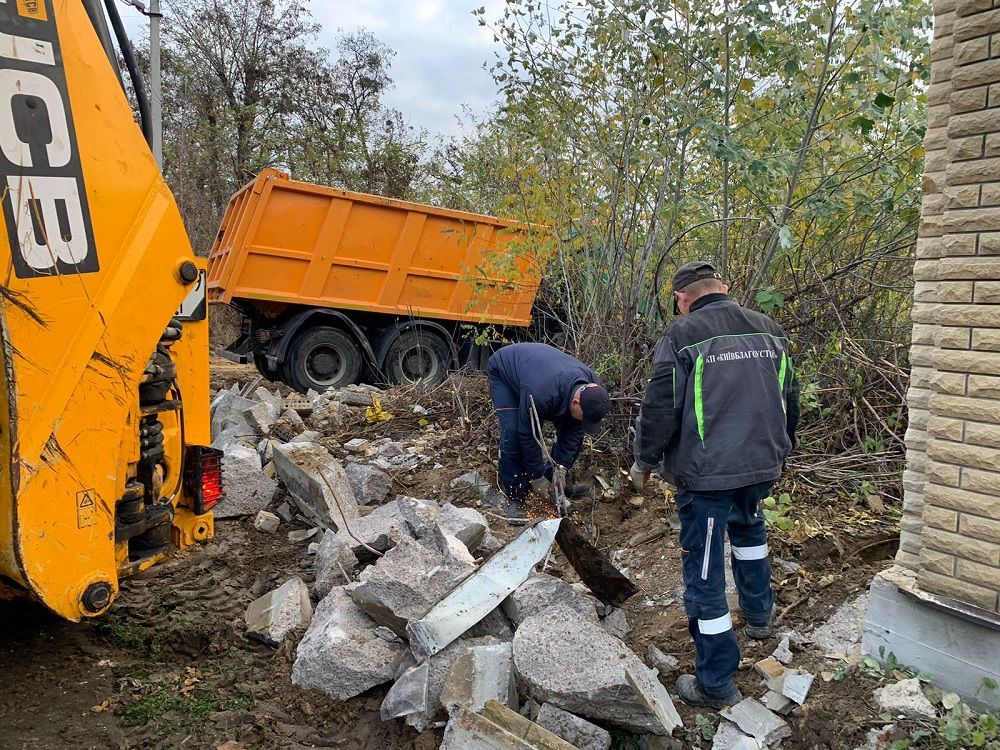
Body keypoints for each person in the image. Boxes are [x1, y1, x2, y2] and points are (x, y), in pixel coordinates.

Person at [631, 261, 799, 710]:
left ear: (681, 299)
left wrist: (644, 460)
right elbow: (790, 399)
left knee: (704, 572)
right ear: (723, 288)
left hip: (708, 476)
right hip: (761, 464)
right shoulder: (769, 330)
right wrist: (781, 451)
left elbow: (660, 408)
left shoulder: (681, 336)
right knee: (750, 536)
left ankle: (716, 682)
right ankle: (761, 616)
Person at [487, 343, 611, 522]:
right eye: (584, 417)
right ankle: (515, 495)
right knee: (512, 433)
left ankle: (553, 487)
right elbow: (527, 434)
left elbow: (574, 433)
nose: (584, 422)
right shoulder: (542, 393)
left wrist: (560, 469)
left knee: (573, 427)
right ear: (576, 402)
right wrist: (537, 477)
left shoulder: (593, 390)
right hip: (505, 371)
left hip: (542, 374)